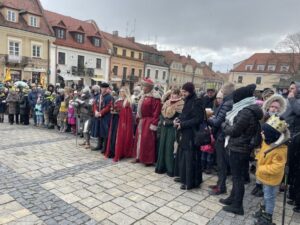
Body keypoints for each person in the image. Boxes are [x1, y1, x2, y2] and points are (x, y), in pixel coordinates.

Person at [220, 84, 263, 215]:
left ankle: (238, 206)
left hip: (239, 148)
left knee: (238, 178)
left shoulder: (245, 111)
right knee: (235, 176)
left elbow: (234, 130)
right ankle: (232, 198)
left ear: (241, 98)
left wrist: (224, 125)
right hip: (241, 147)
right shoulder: (249, 109)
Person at [253, 115, 289, 225]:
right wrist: (258, 156)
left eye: (263, 132)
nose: (261, 133)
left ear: (271, 134)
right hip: (265, 176)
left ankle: (268, 217)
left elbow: (277, 167)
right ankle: (264, 211)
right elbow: (264, 152)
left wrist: (261, 168)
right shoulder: (267, 141)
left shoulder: (280, 150)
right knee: (266, 194)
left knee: (270, 197)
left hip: (271, 178)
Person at [251, 94, 287, 197]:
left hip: (272, 147)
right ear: (268, 106)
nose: (274, 109)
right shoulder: (263, 117)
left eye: (276, 107)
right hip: (260, 144)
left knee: (266, 166)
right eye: (272, 106)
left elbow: (283, 135)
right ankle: (258, 185)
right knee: (258, 163)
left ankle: (264, 186)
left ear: (279, 109)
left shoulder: (281, 119)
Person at [174, 82, 204, 190]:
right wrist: (178, 120)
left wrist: (182, 124)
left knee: (191, 158)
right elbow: (186, 115)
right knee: (183, 156)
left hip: (192, 134)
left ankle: (190, 181)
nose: (183, 93)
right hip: (185, 132)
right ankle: (184, 177)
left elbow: (198, 119)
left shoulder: (197, 102)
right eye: (182, 91)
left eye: (185, 92)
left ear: (190, 91)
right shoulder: (187, 100)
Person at [207, 82, 235, 195]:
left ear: (224, 91)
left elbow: (218, 122)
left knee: (221, 163)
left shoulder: (227, 103)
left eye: (222, 90)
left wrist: (207, 117)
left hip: (221, 136)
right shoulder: (228, 102)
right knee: (220, 162)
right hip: (222, 135)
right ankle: (219, 183)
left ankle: (221, 187)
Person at [132, 78, 162, 166]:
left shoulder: (155, 98)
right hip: (142, 120)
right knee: (139, 139)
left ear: (149, 87)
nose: (142, 88)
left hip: (149, 120)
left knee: (147, 140)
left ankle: (147, 159)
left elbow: (156, 112)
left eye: (144, 86)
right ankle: (138, 157)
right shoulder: (143, 95)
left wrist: (153, 123)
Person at [155, 88, 184, 176]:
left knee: (170, 148)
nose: (172, 95)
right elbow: (162, 114)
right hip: (164, 128)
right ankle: (161, 167)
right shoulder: (167, 102)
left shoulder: (181, 104)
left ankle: (170, 169)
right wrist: (163, 121)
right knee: (162, 146)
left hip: (172, 129)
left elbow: (179, 118)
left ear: (179, 95)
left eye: (175, 93)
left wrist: (170, 123)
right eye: (172, 93)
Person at [282, 82, 300, 213]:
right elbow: (285, 115)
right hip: (290, 136)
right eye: (290, 88)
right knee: (291, 166)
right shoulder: (290, 101)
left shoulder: (294, 100)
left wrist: (292, 99)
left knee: (295, 168)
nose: (290, 90)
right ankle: (293, 194)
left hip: (297, 138)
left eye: (293, 88)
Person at [111, 87, 134, 162]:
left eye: (122, 91)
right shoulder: (118, 100)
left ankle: (122, 152)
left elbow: (127, 114)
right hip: (117, 120)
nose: (121, 93)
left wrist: (124, 122)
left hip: (124, 122)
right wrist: (113, 109)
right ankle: (116, 151)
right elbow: (116, 109)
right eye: (120, 91)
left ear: (126, 92)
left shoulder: (127, 102)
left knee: (123, 137)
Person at [91, 83, 113, 152]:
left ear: (107, 89)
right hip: (98, 116)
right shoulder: (98, 96)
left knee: (104, 132)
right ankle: (99, 145)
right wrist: (95, 112)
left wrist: (101, 113)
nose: (102, 89)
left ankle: (105, 147)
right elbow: (94, 104)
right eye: (102, 88)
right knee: (99, 131)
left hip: (105, 117)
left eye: (104, 88)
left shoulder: (109, 97)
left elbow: (108, 107)